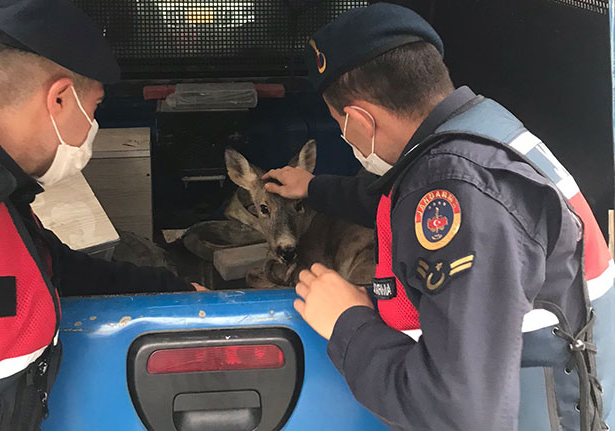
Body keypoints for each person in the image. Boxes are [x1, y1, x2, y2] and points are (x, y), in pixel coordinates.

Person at [264, 3, 615, 430]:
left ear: (358, 120)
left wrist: (347, 322)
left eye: (339, 122)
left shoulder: (461, 191)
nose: (343, 133)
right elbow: (395, 196)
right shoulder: (479, 131)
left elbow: (460, 414)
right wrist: (313, 187)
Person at [0, 0, 203, 429]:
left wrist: (175, 292)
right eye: (96, 108)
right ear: (60, 98)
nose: (92, 130)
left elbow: (53, 269)